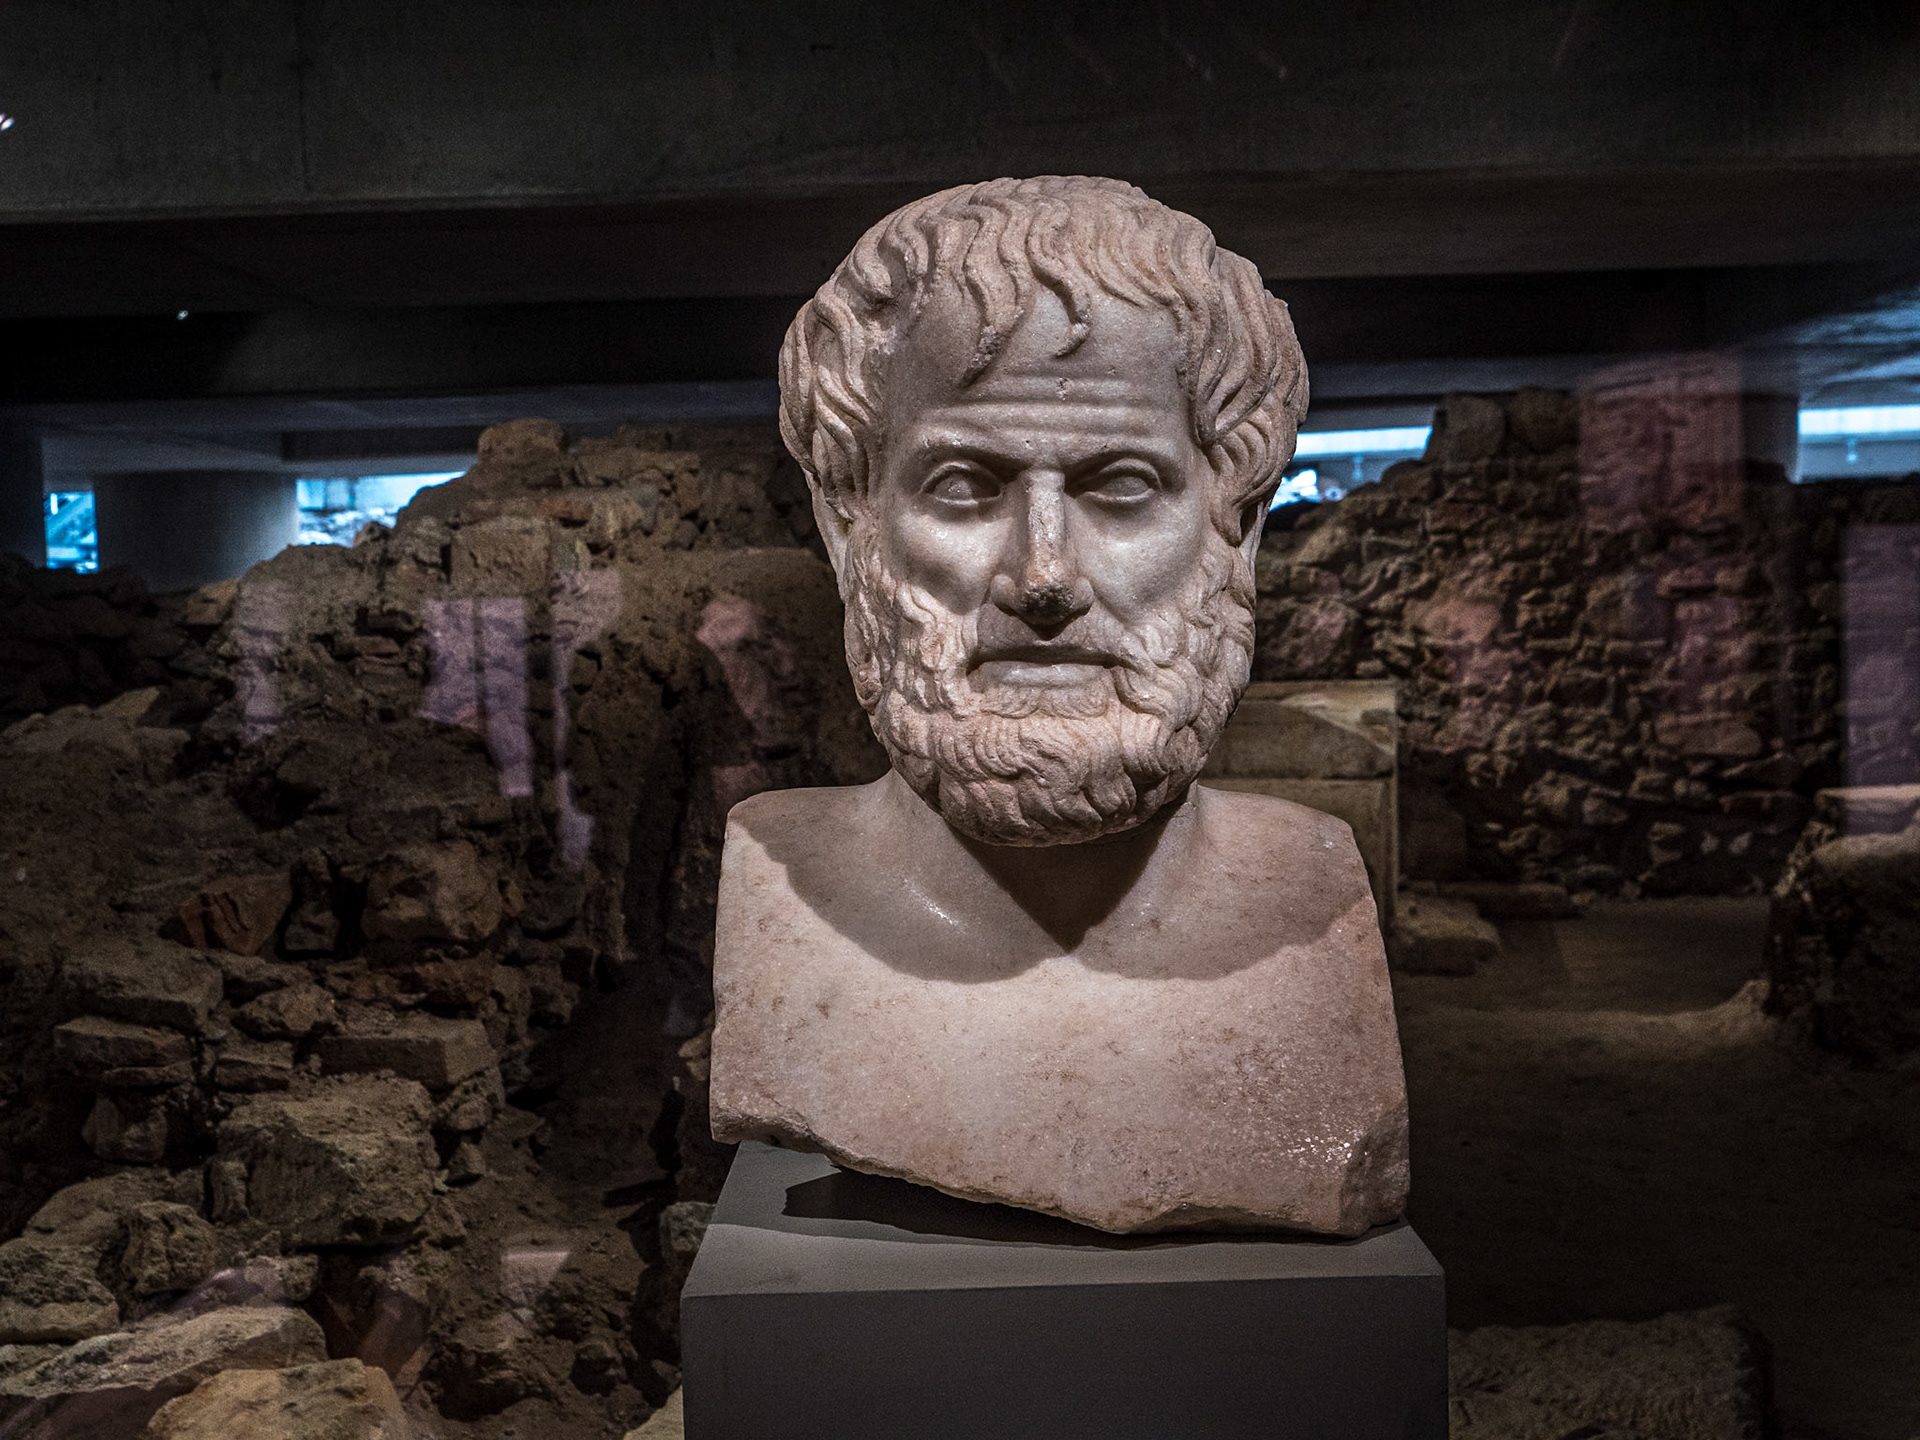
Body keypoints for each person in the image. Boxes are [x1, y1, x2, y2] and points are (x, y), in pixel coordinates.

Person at [709, 176, 1408, 1235]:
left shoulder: (1313, 895)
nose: (1044, 577)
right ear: (849, 525)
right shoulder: (775, 886)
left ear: (1238, 522)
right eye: (962, 486)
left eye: (1121, 486)